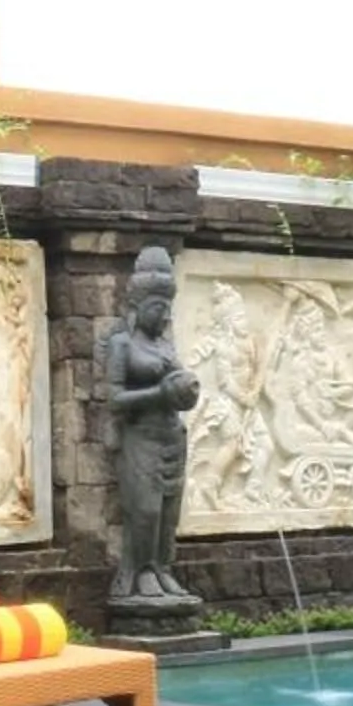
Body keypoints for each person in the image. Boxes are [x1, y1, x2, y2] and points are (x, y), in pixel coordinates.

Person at [98, 246, 202, 609]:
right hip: (139, 437)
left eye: (167, 310)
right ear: (138, 308)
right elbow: (113, 398)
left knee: (170, 511)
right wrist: (158, 394)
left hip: (171, 434)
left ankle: (162, 568)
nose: (164, 317)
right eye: (157, 309)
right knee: (146, 510)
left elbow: (177, 383)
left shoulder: (165, 345)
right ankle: (140, 571)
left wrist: (184, 387)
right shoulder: (122, 343)